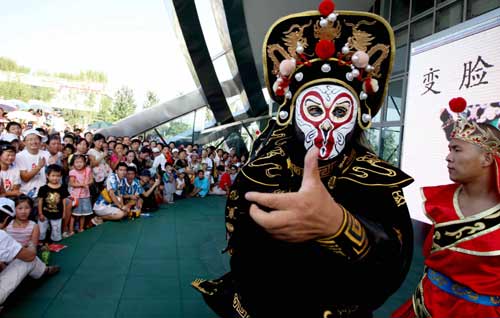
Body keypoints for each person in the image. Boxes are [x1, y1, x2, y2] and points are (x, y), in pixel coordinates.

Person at [192, 1, 414, 317]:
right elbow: (240, 250)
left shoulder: (375, 178)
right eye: (313, 110)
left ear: (358, 118)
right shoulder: (261, 172)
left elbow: (395, 265)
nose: (325, 124)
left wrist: (339, 225)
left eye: (339, 112)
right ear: (291, 115)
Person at [392, 98, 500, 318]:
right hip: (426, 303)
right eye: (450, 149)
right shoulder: (442, 202)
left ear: (487, 158)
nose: (448, 157)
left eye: (457, 150)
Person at [0, 197, 59, 308]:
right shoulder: (2, 235)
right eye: (20, 208)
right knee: (28, 259)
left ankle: (43, 270)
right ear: (7, 219)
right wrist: (30, 246)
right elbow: (30, 256)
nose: (23, 211)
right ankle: (43, 271)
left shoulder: (32, 226)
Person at [38, 165, 69, 242]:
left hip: (57, 214)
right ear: (47, 176)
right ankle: (41, 242)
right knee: (41, 231)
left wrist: (64, 212)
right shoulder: (43, 188)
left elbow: (64, 201)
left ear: (61, 176)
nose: (55, 178)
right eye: (53, 175)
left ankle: (55, 242)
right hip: (45, 213)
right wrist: (40, 213)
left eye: (58, 176)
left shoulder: (62, 188)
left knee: (56, 230)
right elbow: (40, 201)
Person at [68, 155, 93, 234]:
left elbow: (91, 180)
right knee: (74, 214)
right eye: (77, 162)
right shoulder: (72, 172)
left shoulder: (88, 170)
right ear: (73, 163)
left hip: (86, 195)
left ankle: (81, 228)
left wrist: (88, 183)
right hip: (76, 196)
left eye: (81, 162)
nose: (79, 164)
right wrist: (82, 184)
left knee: (83, 214)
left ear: (85, 162)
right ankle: (71, 230)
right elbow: (72, 183)